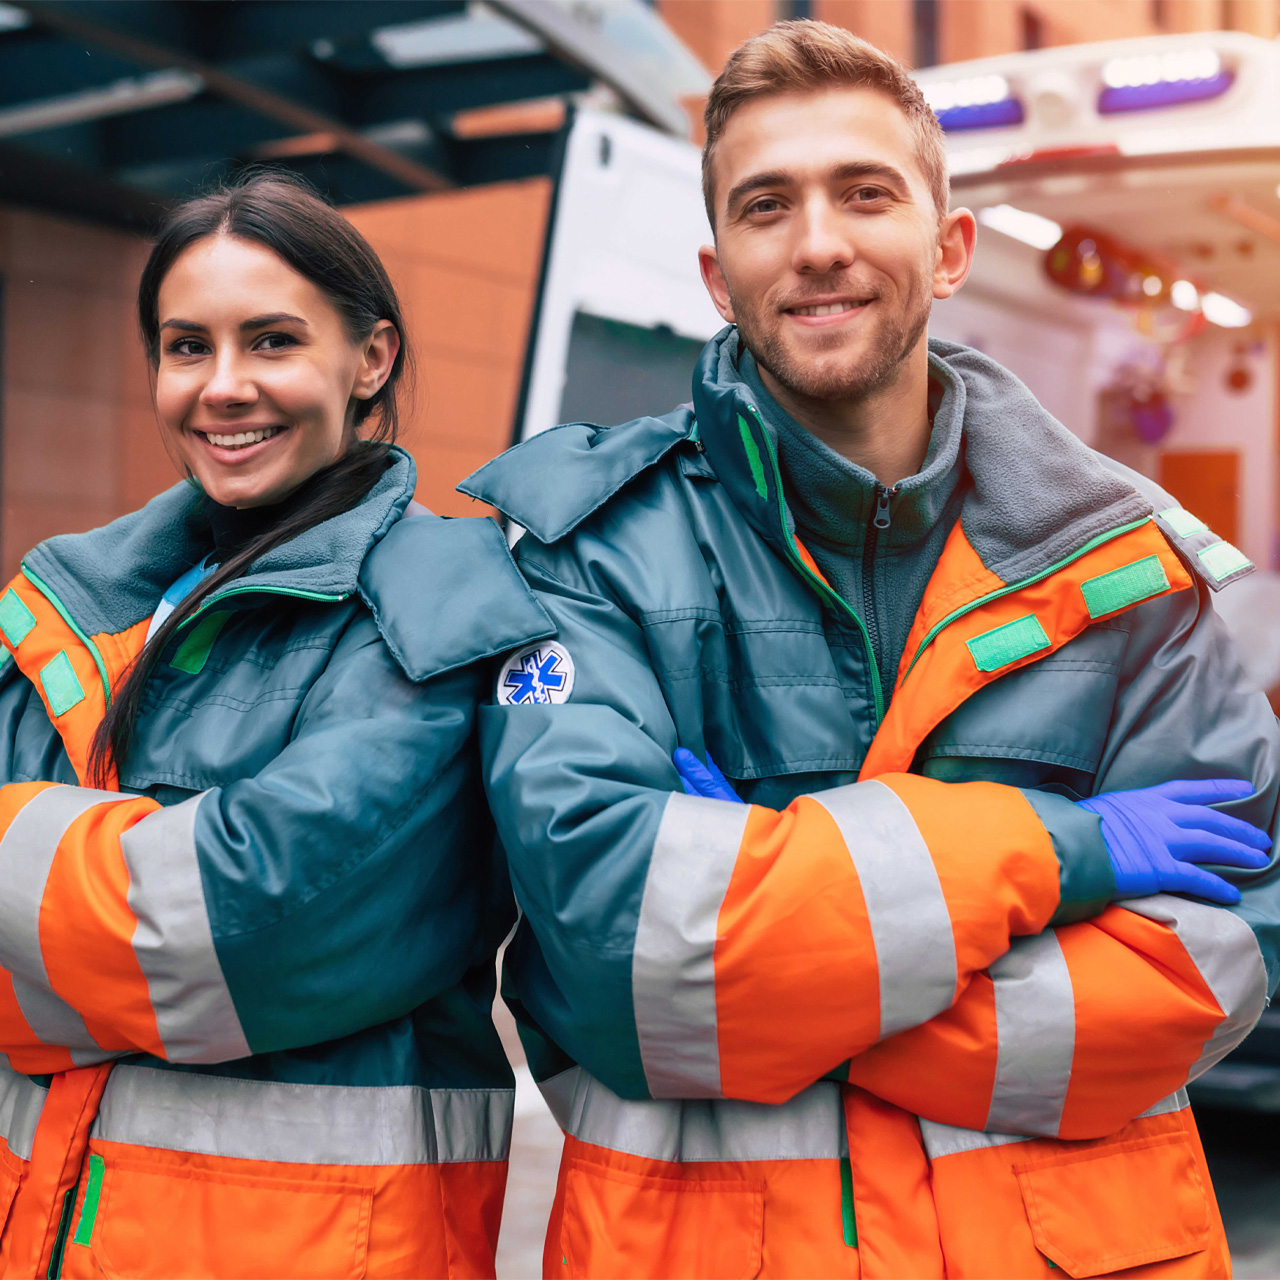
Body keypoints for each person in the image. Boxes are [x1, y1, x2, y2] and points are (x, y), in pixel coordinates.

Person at [466, 21, 1280, 1279]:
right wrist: (1060, 858)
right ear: (715, 267)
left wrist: (770, 941)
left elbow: (1225, 953)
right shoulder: (589, 557)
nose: (819, 242)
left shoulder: (1122, 567)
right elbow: (618, 970)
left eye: (864, 193)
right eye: (765, 204)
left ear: (947, 248)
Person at [0, 173, 552, 1280]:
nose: (223, 387)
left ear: (372, 358)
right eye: (185, 346)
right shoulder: (79, 602)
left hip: (314, 1247)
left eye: (272, 341)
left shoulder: (441, 605)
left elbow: (249, 921)